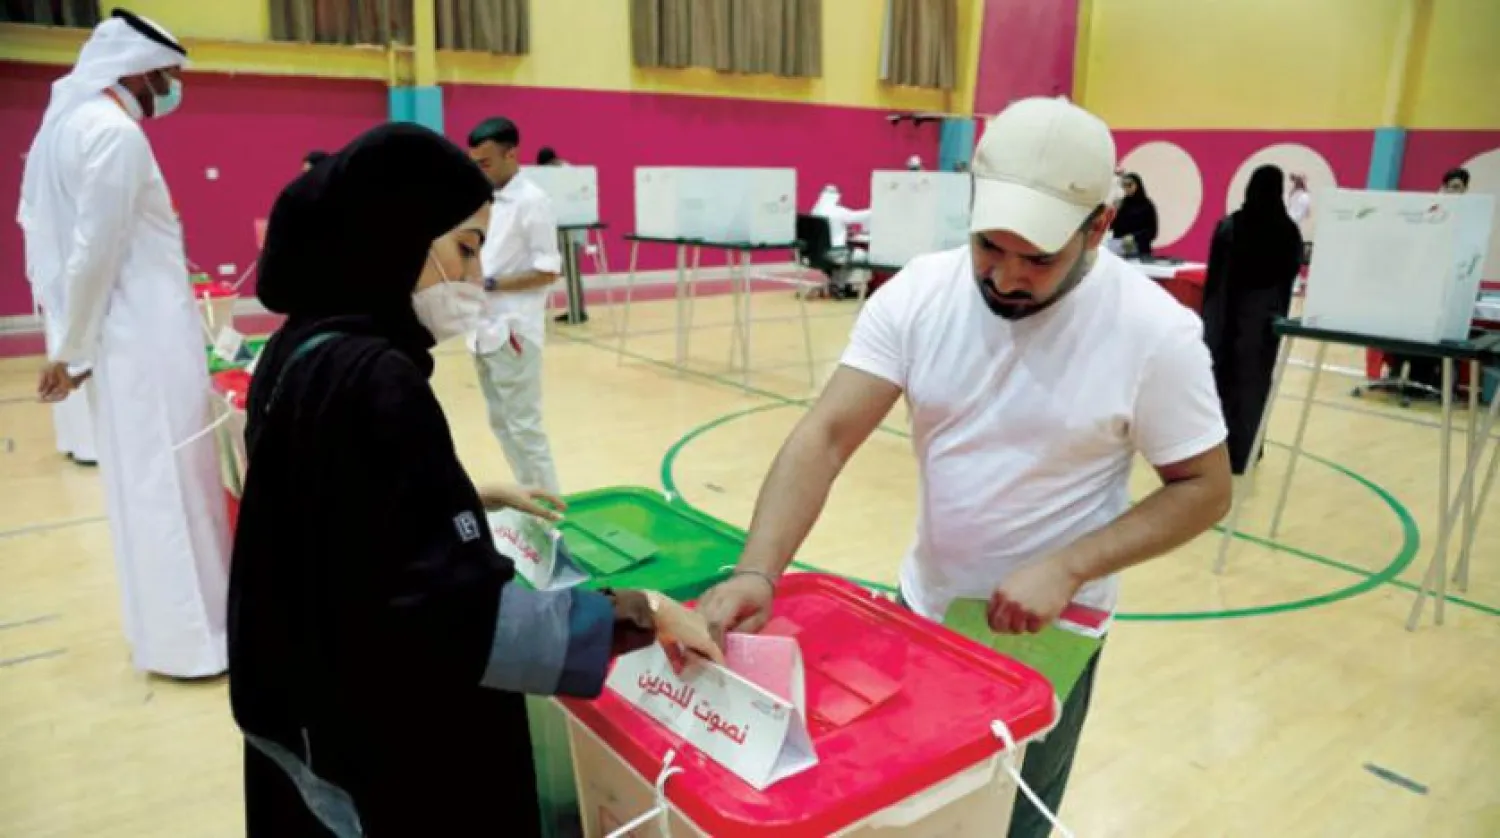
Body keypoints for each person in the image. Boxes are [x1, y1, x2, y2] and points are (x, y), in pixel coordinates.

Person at [696, 96, 1232, 838]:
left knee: (1011, 817)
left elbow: (1205, 488)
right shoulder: (919, 291)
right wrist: (759, 570)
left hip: (1050, 632)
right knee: (913, 810)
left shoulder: (1155, 332)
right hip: (926, 607)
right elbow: (825, 435)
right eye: (990, 245)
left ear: (1099, 225)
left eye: (1039, 258)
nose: (1007, 277)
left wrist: (1072, 565)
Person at [229, 122, 722, 837]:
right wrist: (640, 610)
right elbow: (455, 623)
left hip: (300, 692)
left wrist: (463, 495)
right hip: (372, 724)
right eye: (463, 248)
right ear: (397, 236)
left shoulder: (301, 344)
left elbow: (339, 509)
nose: (470, 275)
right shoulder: (377, 378)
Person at [20, 9, 232, 679]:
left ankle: (177, 633)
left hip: (124, 336)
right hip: (142, 338)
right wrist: (71, 350)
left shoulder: (69, 128)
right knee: (171, 483)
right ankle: (196, 641)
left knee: (150, 483)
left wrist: (76, 344)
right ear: (137, 72)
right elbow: (93, 251)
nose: (171, 88)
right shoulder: (112, 135)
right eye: (167, 75)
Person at [466, 117, 564, 494]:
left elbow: (547, 270)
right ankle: (529, 498)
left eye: (485, 162)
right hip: (481, 329)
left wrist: (489, 283)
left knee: (525, 427)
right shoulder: (483, 200)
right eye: (475, 162)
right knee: (502, 424)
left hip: (514, 331)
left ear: (511, 154)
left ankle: (550, 513)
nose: (479, 170)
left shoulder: (533, 202)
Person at [1201, 165, 1304, 475]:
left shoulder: (1232, 226)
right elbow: (1290, 276)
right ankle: (1247, 450)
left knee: (1219, 382)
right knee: (1254, 385)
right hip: (1264, 325)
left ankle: (1213, 451)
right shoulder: (1289, 233)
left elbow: (1215, 277)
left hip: (1227, 318)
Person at [809, 184, 872, 300]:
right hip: (835, 253)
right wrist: (877, 209)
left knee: (844, 256)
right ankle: (840, 285)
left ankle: (836, 284)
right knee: (863, 256)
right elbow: (858, 216)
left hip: (817, 254)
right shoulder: (838, 211)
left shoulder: (815, 211)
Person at [1109, 172, 1158, 257]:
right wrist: (1114, 210)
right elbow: (1112, 227)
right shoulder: (1122, 203)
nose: (1127, 188)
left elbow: (1152, 231)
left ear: (1137, 185)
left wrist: (1134, 237)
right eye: (1124, 185)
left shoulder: (1146, 205)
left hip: (1139, 249)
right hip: (1119, 248)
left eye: (1130, 185)